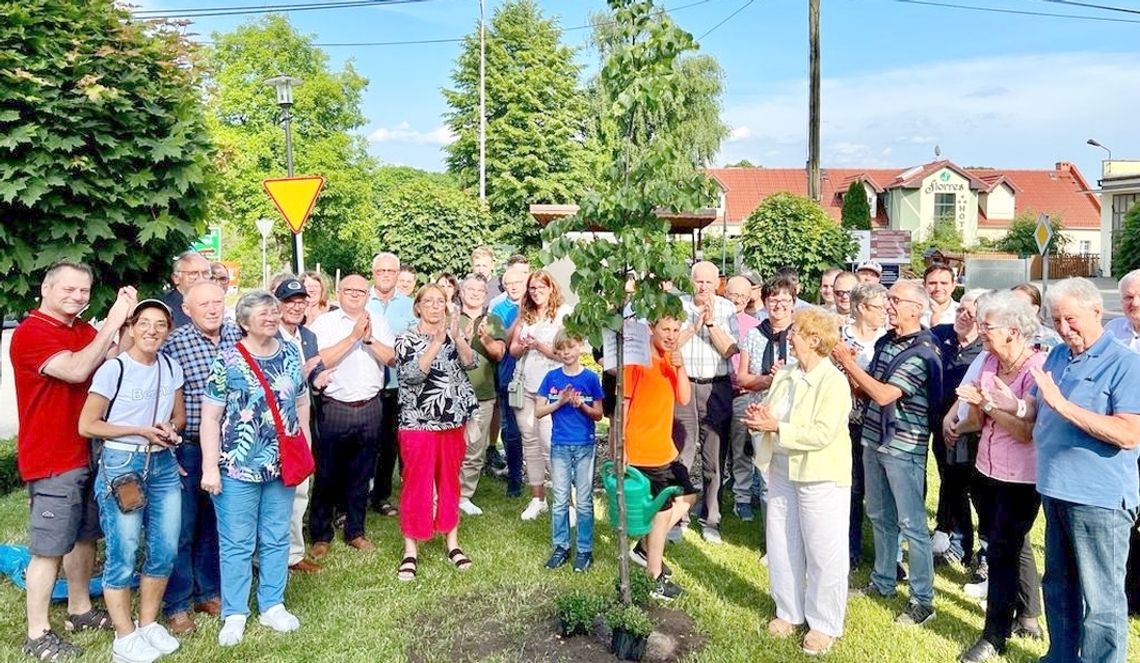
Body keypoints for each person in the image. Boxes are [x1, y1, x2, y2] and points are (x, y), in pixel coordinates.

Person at [989, 277, 1140, 663]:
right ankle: (1060, 656)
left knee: (1102, 597)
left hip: (1100, 500)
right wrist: (1011, 404)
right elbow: (1036, 409)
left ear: (1096, 312)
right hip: (1056, 490)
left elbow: (1128, 434)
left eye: (1071, 319)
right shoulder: (1057, 356)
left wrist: (1063, 405)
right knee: (1058, 587)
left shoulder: (1126, 364)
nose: (1064, 328)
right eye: (1057, 320)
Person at [12, 262, 136, 659]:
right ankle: (37, 634)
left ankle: (80, 609)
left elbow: (112, 360)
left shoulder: (80, 331)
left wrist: (127, 325)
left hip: (88, 452)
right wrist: (112, 321)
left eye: (83, 291)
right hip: (52, 458)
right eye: (69, 289)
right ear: (45, 289)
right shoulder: (30, 332)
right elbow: (78, 368)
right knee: (49, 548)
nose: (78, 297)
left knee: (84, 537)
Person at [199, 290, 310, 646]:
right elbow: (211, 418)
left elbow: (302, 402)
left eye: (274, 312)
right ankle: (234, 613)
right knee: (236, 543)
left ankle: (272, 605)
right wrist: (210, 468)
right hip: (237, 466)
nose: (272, 318)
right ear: (244, 322)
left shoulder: (291, 353)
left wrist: (306, 446)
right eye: (263, 313)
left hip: (282, 466)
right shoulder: (228, 360)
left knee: (277, 536)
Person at [78, 299, 185, 663]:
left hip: (163, 465)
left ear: (168, 330)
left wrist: (170, 430)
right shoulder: (114, 370)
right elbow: (88, 424)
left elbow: (179, 415)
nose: (152, 331)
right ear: (131, 327)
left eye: (160, 324)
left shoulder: (171, 366)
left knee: (165, 548)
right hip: (122, 463)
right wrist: (139, 430)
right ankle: (124, 637)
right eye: (144, 323)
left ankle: (148, 623)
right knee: (123, 553)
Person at [744, 307, 853, 656]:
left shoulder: (833, 381)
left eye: (796, 334)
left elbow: (823, 433)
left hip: (821, 474)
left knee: (823, 549)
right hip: (782, 468)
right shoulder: (787, 373)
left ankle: (824, 623)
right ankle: (788, 611)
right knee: (781, 541)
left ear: (815, 340)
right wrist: (763, 416)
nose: (789, 338)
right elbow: (775, 411)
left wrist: (776, 427)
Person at [832, 279, 941, 627]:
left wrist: (848, 363)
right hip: (873, 439)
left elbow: (883, 395)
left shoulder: (923, 351)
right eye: (888, 299)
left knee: (912, 525)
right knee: (879, 516)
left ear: (916, 308)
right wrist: (848, 374)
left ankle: (923, 600)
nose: (888, 304)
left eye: (895, 300)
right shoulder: (886, 342)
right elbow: (867, 391)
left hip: (904, 447)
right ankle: (883, 582)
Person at [951, 291, 1045, 662]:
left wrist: (987, 404)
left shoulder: (1036, 367)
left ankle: (994, 635)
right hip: (986, 469)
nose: (981, 332)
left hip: (1021, 477)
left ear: (1014, 330)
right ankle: (1028, 615)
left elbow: (1026, 432)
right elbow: (976, 422)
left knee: (1003, 551)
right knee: (1006, 544)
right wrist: (969, 410)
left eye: (987, 326)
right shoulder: (989, 362)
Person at [159, 281, 240, 634]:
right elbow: (162, 399)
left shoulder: (239, 334)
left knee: (214, 524)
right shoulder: (174, 345)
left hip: (231, 445)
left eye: (218, 302)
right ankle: (177, 603)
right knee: (181, 527)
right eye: (203, 304)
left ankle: (209, 591)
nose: (212, 309)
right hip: (188, 447)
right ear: (187, 310)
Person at [393, 284, 480, 582]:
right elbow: (411, 375)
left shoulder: (454, 336)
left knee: (449, 482)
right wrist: (436, 342)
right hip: (417, 424)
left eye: (439, 301)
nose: (433, 306)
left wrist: (456, 338)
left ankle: (452, 543)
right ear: (417, 307)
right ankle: (410, 550)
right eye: (427, 301)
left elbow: (471, 363)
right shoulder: (406, 339)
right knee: (416, 483)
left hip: (452, 422)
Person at [308, 275, 396, 557]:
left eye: (361, 291)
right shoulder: (324, 323)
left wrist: (368, 339)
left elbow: (393, 359)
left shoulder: (378, 321)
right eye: (349, 290)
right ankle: (321, 533)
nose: (356, 295)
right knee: (326, 473)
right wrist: (353, 337)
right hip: (335, 406)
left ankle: (355, 531)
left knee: (362, 473)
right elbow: (318, 361)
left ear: (368, 294)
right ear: (338, 292)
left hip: (370, 405)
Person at [624, 315, 697, 600]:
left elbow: (684, 398)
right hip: (643, 449)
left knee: (688, 496)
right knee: (663, 510)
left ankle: (645, 546)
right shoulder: (638, 361)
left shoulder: (671, 359)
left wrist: (680, 367)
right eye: (665, 329)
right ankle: (654, 577)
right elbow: (625, 405)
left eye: (676, 329)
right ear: (651, 329)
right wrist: (622, 447)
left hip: (665, 449)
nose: (671, 334)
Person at [674, 261, 739, 544]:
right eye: (698, 282)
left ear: (717, 284)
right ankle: (679, 515)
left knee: (714, 457)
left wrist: (711, 324)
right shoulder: (679, 305)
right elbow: (669, 344)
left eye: (709, 283)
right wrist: (693, 325)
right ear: (692, 282)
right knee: (682, 453)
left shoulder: (727, 309)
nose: (703, 287)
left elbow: (730, 350)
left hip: (716, 387)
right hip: (685, 385)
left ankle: (711, 518)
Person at [534, 331, 604, 572]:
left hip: (584, 444)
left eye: (571, 347)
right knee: (560, 500)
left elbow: (599, 414)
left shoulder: (591, 378)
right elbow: (539, 411)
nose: (566, 353)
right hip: (560, 445)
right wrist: (561, 402)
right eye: (561, 349)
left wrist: (581, 404)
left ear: (580, 347)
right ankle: (561, 547)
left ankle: (584, 550)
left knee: (584, 501)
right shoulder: (551, 377)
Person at [274, 278, 329, 574]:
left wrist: (318, 379)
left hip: (302, 423)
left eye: (300, 301)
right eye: (289, 301)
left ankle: (293, 554)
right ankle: (270, 555)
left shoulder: (307, 335)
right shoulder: (268, 334)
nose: (296, 306)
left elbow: (314, 373)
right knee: (276, 495)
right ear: (277, 304)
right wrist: (302, 374)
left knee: (299, 491)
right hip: (273, 427)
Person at [929, 289, 985, 568]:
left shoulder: (985, 349)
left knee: (970, 487)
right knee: (950, 483)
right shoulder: (940, 334)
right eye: (960, 309)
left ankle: (975, 547)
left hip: (972, 429)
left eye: (970, 313)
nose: (962, 316)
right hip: (941, 425)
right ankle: (957, 541)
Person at [509, 269, 571, 521]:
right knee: (530, 442)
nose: (536, 293)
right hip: (525, 386)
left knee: (550, 445)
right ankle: (537, 498)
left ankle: (566, 501)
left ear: (551, 288)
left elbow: (569, 353)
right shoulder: (526, 315)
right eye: (532, 288)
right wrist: (522, 346)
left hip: (551, 388)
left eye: (540, 288)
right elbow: (512, 350)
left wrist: (541, 347)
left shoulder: (563, 316)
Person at [736, 277, 798, 525]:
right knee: (766, 479)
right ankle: (771, 541)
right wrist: (768, 379)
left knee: (793, 479)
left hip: (793, 415)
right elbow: (742, 378)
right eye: (773, 300)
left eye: (785, 300)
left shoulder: (802, 333)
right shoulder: (753, 335)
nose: (779, 305)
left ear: (793, 302)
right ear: (764, 302)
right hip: (761, 411)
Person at [840, 282, 888, 567]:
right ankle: (851, 548)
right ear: (860, 307)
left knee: (880, 489)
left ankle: (886, 554)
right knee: (852, 487)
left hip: (880, 423)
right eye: (879, 307)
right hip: (848, 422)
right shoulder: (840, 337)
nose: (885, 312)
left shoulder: (887, 338)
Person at [366, 252, 416, 516]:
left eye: (391, 271)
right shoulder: (363, 301)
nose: (386, 275)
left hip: (398, 384)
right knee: (364, 443)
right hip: (366, 383)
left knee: (389, 444)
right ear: (374, 273)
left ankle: (381, 495)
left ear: (398, 275)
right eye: (381, 271)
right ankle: (356, 492)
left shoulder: (409, 306)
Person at [457, 275, 504, 516]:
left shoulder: (493, 320)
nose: (475, 293)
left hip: (482, 393)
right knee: (450, 446)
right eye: (470, 289)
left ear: (486, 295)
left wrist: (484, 337)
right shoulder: (450, 317)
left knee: (474, 447)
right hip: (451, 394)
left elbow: (498, 354)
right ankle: (443, 492)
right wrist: (461, 339)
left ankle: (464, 496)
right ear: (461, 291)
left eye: (480, 290)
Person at [1108, 270, 1140, 613]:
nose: (1134, 303)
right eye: (1128, 297)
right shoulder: (1112, 332)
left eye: (1139, 296)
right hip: (1121, 439)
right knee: (1125, 518)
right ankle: (1128, 592)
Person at [488, 259, 531, 497]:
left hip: (536, 376)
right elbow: (499, 343)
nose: (514, 286)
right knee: (511, 430)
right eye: (509, 283)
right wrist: (519, 320)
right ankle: (514, 478)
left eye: (518, 282)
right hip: (509, 376)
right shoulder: (497, 309)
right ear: (503, 285)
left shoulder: (538, 303)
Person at [723, 275, 761, 522]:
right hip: (715, 388)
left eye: (742, 296)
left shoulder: (753, 325)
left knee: (741, 449)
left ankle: (742, 497)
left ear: (749, 299)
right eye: (732, 294)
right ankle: (709, 496)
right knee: (713, 447)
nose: (737, 300)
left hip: (740, 392)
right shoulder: (715, 319)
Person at [163, 251, 212, 328]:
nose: (201, 279)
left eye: (205, 273)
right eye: (193, 273)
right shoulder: (164, 309)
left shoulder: (215, 304)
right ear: (176, 278)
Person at [921, 263, 959, 327]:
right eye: (932, 283)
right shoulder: (914, 313)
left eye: (944, 283)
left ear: (953, 285)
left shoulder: (963, 315)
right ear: (924, 285)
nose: (938, 288)